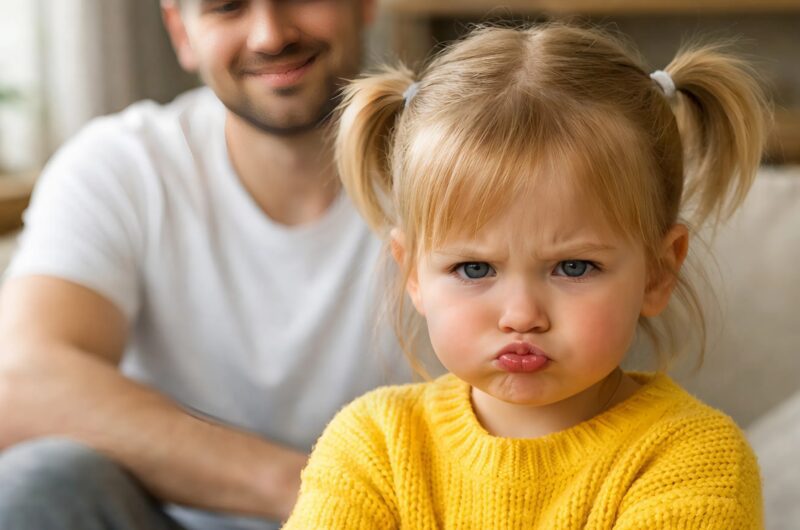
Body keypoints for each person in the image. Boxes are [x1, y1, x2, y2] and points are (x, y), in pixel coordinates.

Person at [283, 23, 769, 529]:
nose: (521, 316)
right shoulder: (374, 444)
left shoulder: (695, 459)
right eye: (474, 268)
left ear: (658, 272)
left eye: (574, 267)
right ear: (413, 272)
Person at [0, 1, 410, 529]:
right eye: (226, 6)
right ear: (181, 31)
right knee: (44, 481)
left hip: (410, 516)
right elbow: (21, 381)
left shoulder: (459, 161)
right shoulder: (125, 166)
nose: (269, 36)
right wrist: (317, 489)